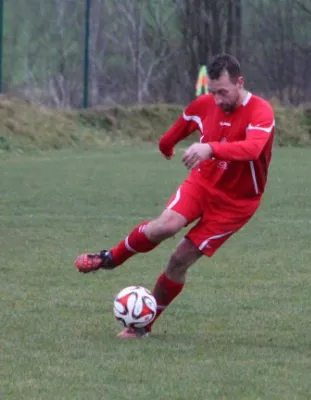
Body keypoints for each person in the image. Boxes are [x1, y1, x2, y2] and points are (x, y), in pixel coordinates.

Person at [74, 53, 276, 339]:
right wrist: (166, 146)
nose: (217, 100)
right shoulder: (205, 104)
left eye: (224, 92)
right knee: (164, 226)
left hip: (236, 203)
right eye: (213, 92)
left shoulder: (261, 111)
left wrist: (210, 148)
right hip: (203, 182)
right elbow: (176, 131)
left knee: (178, 260)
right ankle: (110, 258)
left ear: (240, 82)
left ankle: (142, 325)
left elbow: (253, 149)